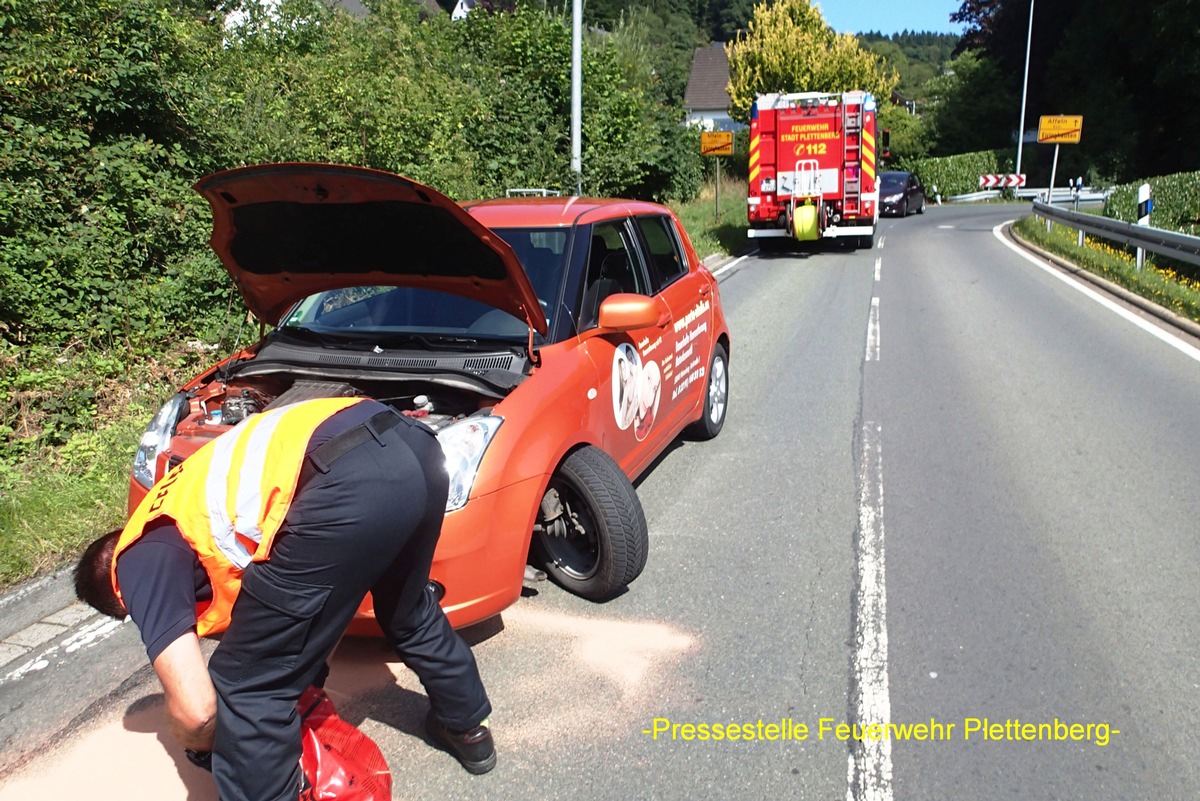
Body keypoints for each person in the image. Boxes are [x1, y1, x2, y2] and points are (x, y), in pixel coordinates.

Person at [75, 396, 495, 801]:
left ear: (119, 598)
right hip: (411, 444)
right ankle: (467, 729)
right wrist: (300, 675)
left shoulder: (137, 560)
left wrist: (204, 743)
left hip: (344, 476)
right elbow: (315, 607)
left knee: (246, 688)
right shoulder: (178, 502)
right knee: (407, 608)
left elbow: (197, 708)